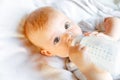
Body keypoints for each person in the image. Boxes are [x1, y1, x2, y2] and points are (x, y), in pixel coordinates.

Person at [24, 6, 120, 80]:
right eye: (56, 39)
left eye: (67, 25)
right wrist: (86, 66)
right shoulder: (75, 65)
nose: (68, 35)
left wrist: (110, 36)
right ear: (49, 52)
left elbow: (114, 21)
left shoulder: (86, 27)